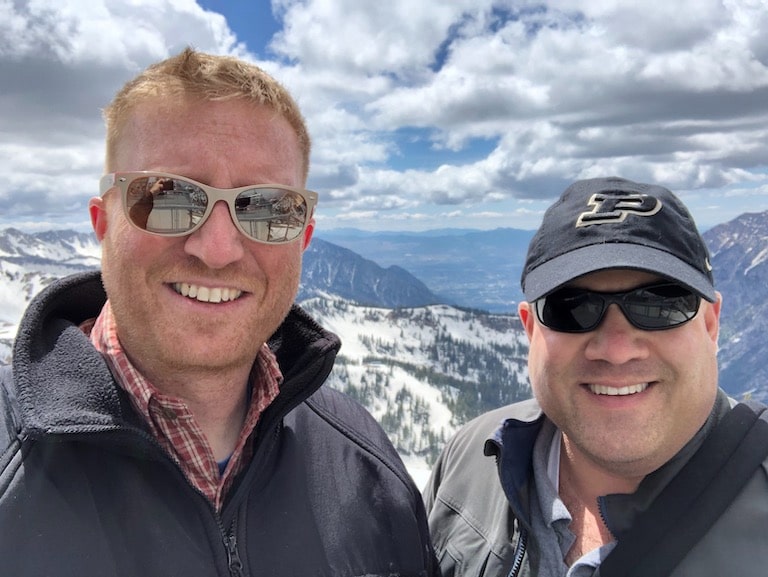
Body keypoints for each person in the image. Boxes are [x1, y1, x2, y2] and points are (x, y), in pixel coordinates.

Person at [0, 48, 437, 577]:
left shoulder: (368, 470)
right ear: (103, 222)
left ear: (302, 239)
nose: (217, 250)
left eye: (267, 208)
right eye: (167, 196)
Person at [423, 176, 768, 577]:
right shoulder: (470, 458)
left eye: (661, 304)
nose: (616, 349)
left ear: (711, 324)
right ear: (531, 330)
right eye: (572, 307)